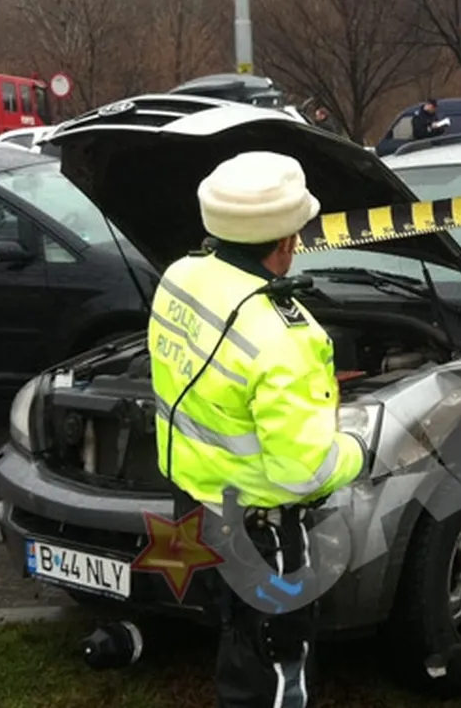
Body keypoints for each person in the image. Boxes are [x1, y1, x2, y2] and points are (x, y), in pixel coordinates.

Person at [149, 151, 366, 706]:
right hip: (261, 533)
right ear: (288, 240)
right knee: (275, 669)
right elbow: (304, 473)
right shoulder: (287, 336)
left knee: (238, 641)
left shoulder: (179, 277)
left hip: (195, 508)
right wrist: (357, 449)